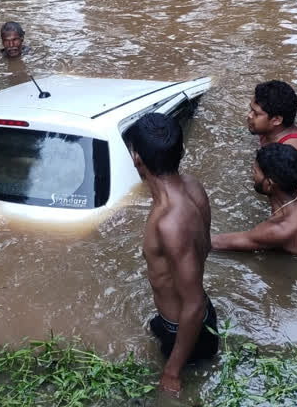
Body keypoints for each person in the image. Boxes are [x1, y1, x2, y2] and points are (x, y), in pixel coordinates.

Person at [124, 113, 218, 396]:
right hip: (195, 318)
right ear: (182, 151)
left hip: (184, 331)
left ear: (136, 158)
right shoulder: (192, 186)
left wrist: (172, 372)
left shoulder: (170, 223)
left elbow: (192, 305)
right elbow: (207, 246)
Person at [212, 143, 297, 256]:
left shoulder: (280, 229)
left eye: (255, 172)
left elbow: (215, 243)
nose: (251, 175)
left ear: (269, 184)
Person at [248, 80, 297, 166]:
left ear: (276, 120)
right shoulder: (267, 127)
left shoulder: (292, 151)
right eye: (251, 109)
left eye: (256, 113)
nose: (249, 115)